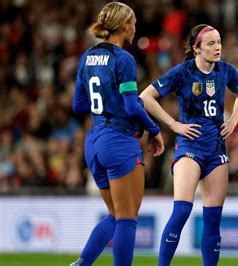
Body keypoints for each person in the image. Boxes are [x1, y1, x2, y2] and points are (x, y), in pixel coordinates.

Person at [140, 24, 238, 266]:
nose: (217, 47)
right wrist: (173, 124)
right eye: (211, 43)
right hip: (190, 146)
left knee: (213, 219)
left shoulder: (227, 71)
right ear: (196, 48)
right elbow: (146, 97)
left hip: (216, 149)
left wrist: (232, 121)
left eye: (219, 42)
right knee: (182, 211)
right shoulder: (183, 72)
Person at [70, 2, 165, 266]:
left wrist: (105, 105)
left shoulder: (86, 57)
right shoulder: (124, 59)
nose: (135, 28)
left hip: (94, 142)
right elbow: (133, 105)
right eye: (133, 23)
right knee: (127, 218)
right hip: (119, 142)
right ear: (125, 25)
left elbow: (78, 105)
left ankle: (81, 263)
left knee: (114, 214)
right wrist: (154, 130)